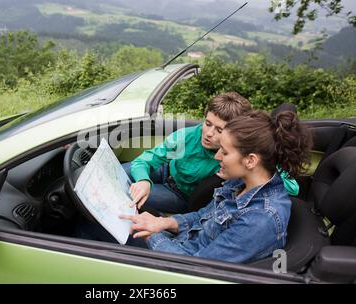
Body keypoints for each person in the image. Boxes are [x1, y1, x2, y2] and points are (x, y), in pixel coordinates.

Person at [118, 110, 313, 263]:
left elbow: (195, 268)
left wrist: (153, 236)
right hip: (180, 244)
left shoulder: (260, 220)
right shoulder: (241, 183)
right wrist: (163, 223)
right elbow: (201, 217)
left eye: (225, 152)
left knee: (99, 235)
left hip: (180, 262)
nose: (217, 156)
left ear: (251, 161)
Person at [125, 92, 298, 214]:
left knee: (124, 193)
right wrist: (143, 180)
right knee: (112, 174)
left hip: (180, 195)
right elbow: (144, 161)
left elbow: (293, 188)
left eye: (219, 129)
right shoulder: (186, 137)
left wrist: (268, 162)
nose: (208, 133)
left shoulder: (241, 155)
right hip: (166, 170)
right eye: (207, 123)